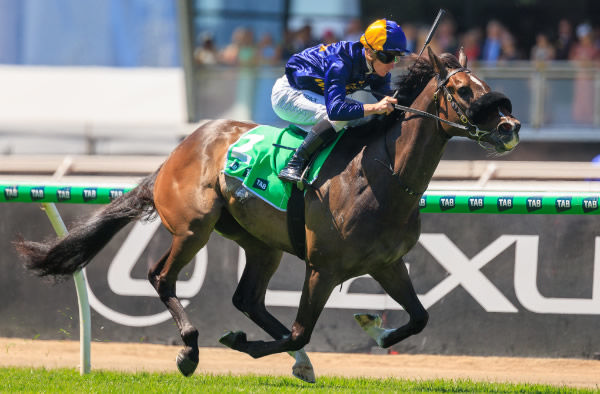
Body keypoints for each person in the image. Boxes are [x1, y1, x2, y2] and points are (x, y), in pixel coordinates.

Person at [271, 19, 409, 183]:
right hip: (289, 93)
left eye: (396, 58)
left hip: (312, 93)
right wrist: (375, 107)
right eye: (388, 57)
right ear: (369, 52)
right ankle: (294, 164)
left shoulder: (378, 69)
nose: (392, 65)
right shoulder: (339, 62)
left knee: (360, 117)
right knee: (343, 116)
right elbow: (335, 110)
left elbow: (391, 103)